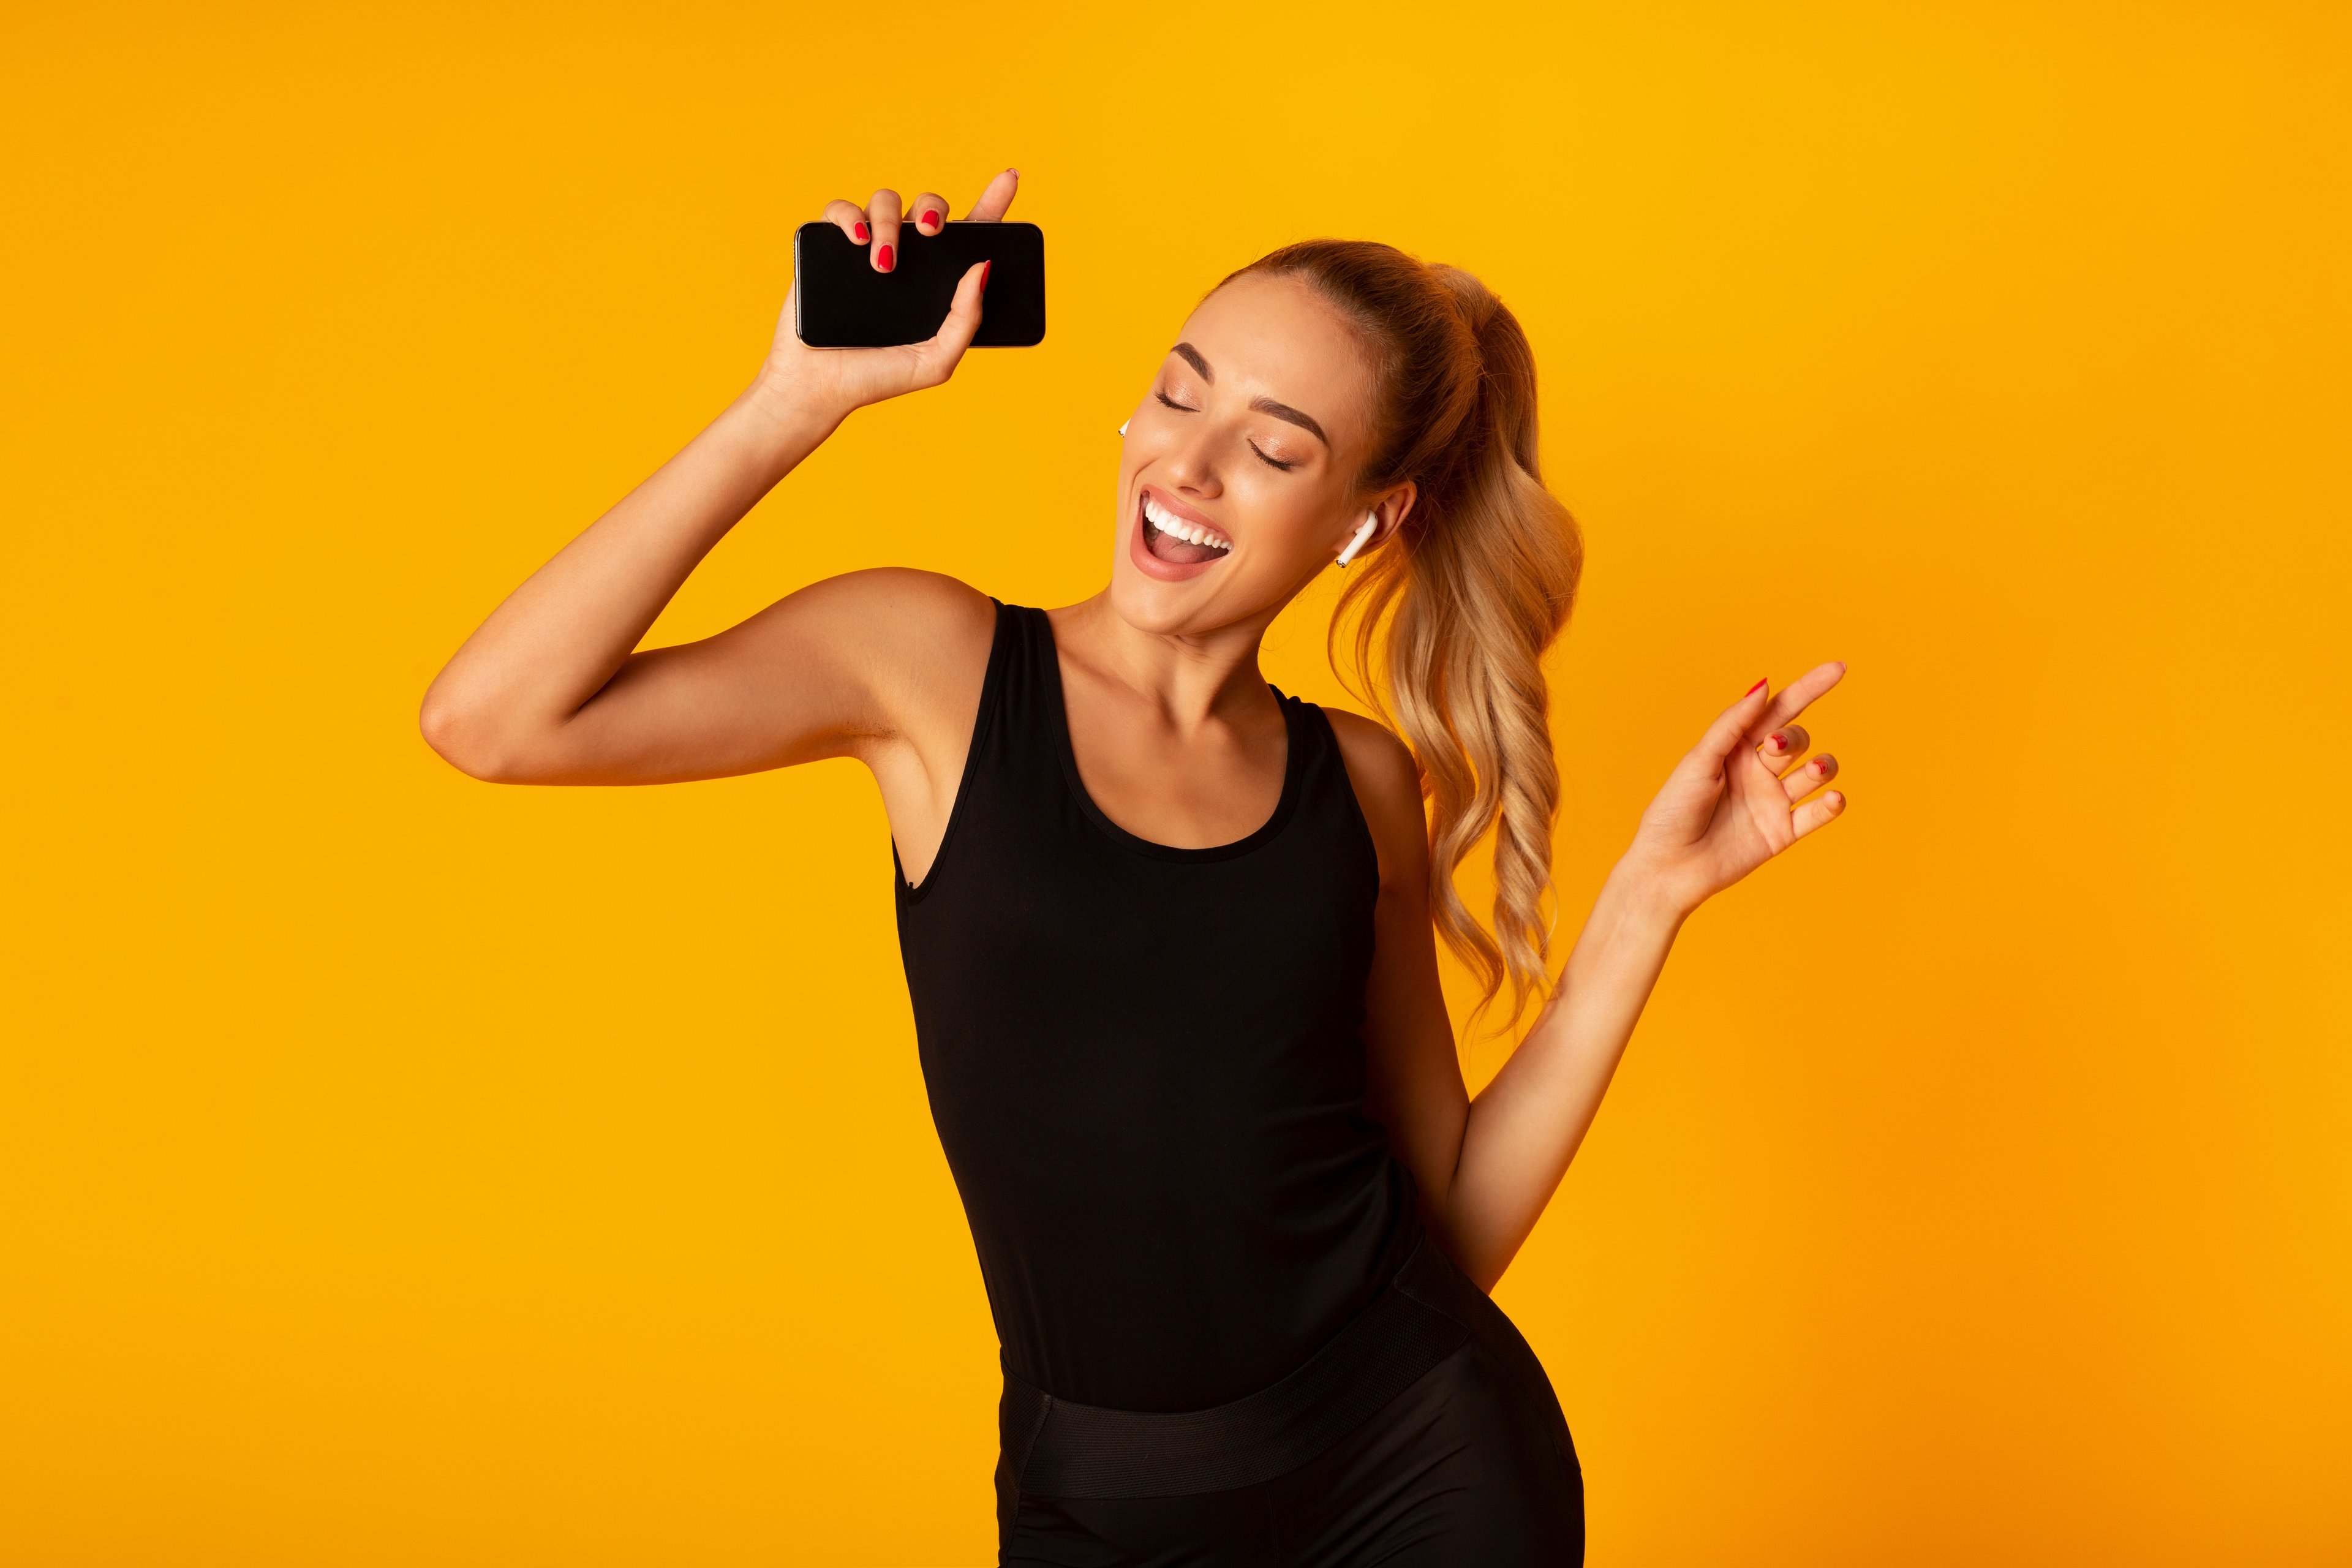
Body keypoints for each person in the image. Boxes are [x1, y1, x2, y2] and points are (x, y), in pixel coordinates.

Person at [420, 168, 1848, 1566]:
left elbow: (1450, 1221)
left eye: (1275, 446)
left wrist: (1650, 899)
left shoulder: (1358, 783)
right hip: (1098, 1500)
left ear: (1367, 519)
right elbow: (492, 719)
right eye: (1180, 390)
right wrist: (793, 403)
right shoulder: (934, 666)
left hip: (1421, 1463)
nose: (1190, 463)